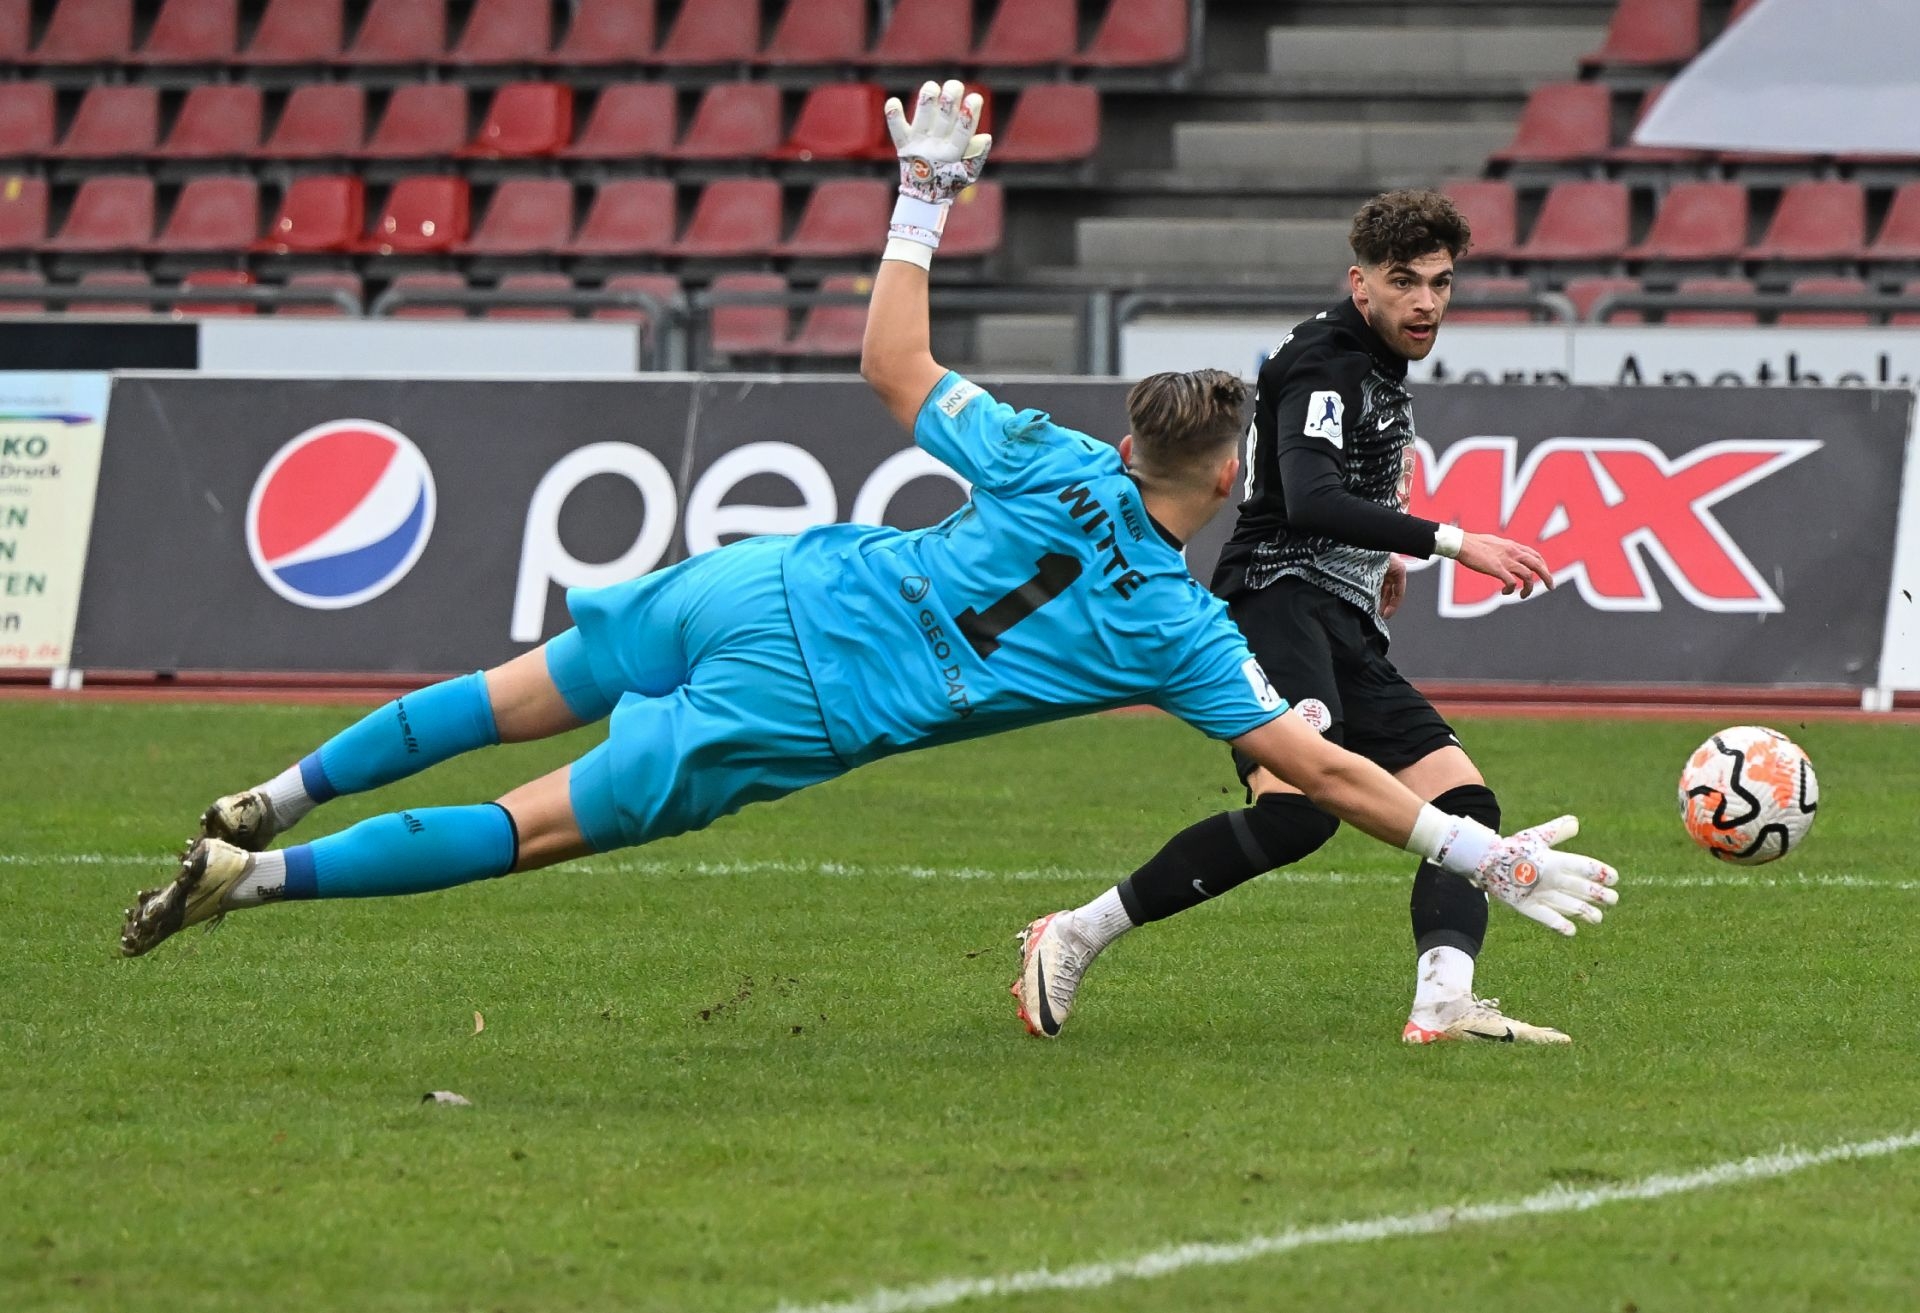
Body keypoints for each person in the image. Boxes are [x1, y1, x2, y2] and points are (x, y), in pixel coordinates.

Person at [119, 87, 1617, 991]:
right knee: (532, 823)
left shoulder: (1042, 457)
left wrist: (920, 200)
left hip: (772, 576)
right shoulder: (1178, 628)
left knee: (521, 684)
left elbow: (890, 371)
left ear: (1126, 441)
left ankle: (278, 786)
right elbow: (1320, 766)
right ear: (1229, 478)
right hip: (807, 706)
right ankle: (254, 882)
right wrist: (1467, 848)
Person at [1014, 190, 1574, 1046]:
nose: (1426, 301)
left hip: (1338, 614)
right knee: (1297, 811)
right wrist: (1451, 542)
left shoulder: (1373, 359)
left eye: (1441, 282)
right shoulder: (1325, 360)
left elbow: (1319, 484)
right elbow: (1307, 496)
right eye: (1404, 282)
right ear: (1362, 284)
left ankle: (1443, 1000)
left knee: (1465, 802)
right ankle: (1076, 932)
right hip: (1277, 601)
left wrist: (1376, 554)